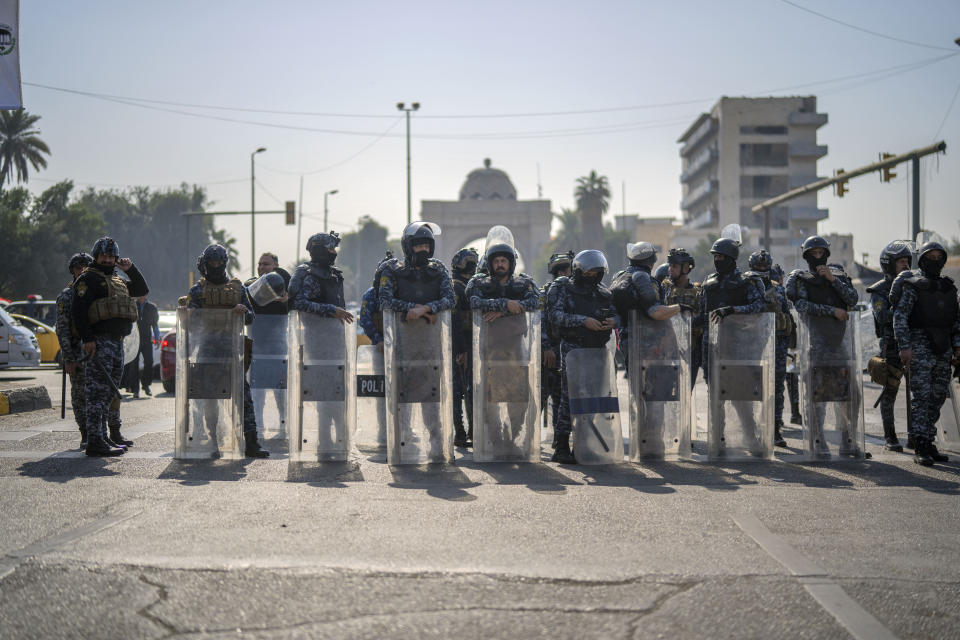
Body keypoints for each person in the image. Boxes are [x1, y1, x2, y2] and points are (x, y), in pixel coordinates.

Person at [378, 222, 456, 460]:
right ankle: (403, 445)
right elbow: (385, 300)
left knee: (432, 398)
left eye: (426, 245)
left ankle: (437, 447)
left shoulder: (438, 269)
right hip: (402, 345)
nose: (423, 250)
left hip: (431, 346)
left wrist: (426, 308)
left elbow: (450, 299)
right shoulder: (392, 269)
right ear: (407, 246)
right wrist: (413, 308)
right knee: (402, 398)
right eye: (418, 245)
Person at [186, 244, 269, 458]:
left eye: (218, 262)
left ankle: (251, 443)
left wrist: (242, 312)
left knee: (243, 398)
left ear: (224, 263)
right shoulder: (197, 290)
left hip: (231, 350)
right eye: (211, 263)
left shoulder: (237, 288)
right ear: (205, 264)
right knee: (210, 400)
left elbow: (251, 316)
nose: (215, 266)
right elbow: (190, 321)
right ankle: (213, 442)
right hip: (206, 350)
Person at [71, 237, 148, 457]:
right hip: (99, 341)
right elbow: (79, 311)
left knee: (109, 393)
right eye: (104, 255)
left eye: (111, 256)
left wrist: (131, 269)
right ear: (96, 256)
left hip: (117, 342)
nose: (107, 259)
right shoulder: (88, 280)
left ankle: (102, 436)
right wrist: (88, 339)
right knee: (97, 392)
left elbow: (142, 289)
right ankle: (95, 441)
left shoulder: (118, 280)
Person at [785, 235, 860, 457]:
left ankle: (848, 440)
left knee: (850, 395)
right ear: (806, 256)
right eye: (813, 254)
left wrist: (833, 280)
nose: (817, 257)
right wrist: (831, 312)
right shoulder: (799, 278)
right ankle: (818, 443)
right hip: (816, 346)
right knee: (818, 399)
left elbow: (853, 299)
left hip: (840, 345)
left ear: (826, 254)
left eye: (821, 253)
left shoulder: (838, 276)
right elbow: (802, 306)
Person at [890, 241, 960, 466]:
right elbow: (900, 317)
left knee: (938, 396)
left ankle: (929, 440)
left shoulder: (948, 288)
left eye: (939, 256)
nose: (935, 260)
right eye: (930, 256)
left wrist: (957, 346)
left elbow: (956, 321)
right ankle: (920, 443)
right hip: (919, 345)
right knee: (921, 397)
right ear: (921, 259)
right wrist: (905, 346)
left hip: (943, 348)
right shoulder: (913, 286)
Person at [547, 249, 620, 464]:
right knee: (570, 399)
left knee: (595, 398)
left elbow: (616, 314)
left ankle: (588, 442)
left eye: (596, 273)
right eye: (588, 273)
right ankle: (561, 446)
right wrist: (583, 320)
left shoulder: (603, 293)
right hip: (573, 349)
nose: (592, 277)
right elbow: (554, 315)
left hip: (597, 350)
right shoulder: (562, 287)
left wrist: (613, 322)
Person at [467, 243, 541, 453]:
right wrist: (506, 304)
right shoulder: (479, 283)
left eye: (504, 261)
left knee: (518, 397)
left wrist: (502, 312)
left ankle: (512, 434)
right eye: (496, 261)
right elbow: (473, 301)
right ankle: (495, 439)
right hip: (489, 349)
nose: (500, 265)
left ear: (511, 263)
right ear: (491, 264)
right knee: (489, 398)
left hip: (516, 349)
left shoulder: (523, 283)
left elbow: (536, 301)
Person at [700, 238, 766, 456]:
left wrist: (732, 310)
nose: (717, 260)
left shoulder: (747, 282)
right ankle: (718, 442)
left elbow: (758, 307)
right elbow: (702, 315)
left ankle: (751, 440)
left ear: (731, 259)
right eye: (715, 257)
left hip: (740, 348)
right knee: (716, 399)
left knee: (742, 399)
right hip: (714, 349)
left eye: (720, 257)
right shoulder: (708, 283)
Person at [865, 240, 912, 452]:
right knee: (890, 392)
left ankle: (918, 437)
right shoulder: (880, 290)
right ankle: (890, 436)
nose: (905, 265)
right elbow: (882, 315)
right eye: (901, 261)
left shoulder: (914, 283)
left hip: (916, 343)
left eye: (907, 261)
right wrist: (904, 308)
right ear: (889, 264)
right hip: (891, 346)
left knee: (921, 394)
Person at [745, 250, 791, 447]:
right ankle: (751, 428)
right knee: (750, 388)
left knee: (777, 387)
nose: (763, 271)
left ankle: (775, 429)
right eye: (758, 268)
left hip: (778, 344)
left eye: (766, 268)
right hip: (754, 343)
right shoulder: (746, 287)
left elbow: (787, 317)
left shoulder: (778, 290)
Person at [245, 252, 292, 435]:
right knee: (257, 394)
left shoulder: (287, 290)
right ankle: (258, 428)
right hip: (256, 350)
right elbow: (247, 292)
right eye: (260, 264)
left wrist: (286, 299)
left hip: (279, 350)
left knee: (280, 392)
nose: (262, 267)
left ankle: (283, 428)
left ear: (276, 266)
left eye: (266, 264)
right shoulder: (251, 286)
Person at [55, 252, 93, 449]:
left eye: (86, 267)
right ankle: (85, 433)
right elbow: (62, 329)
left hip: (98, 353)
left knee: (99, 395)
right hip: (77, 353)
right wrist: (68, 358)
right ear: (73, 271)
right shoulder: (67, 296)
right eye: (78, 268)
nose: (82, 271)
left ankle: (100, 432)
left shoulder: (96, 291)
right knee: (80, 395)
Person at [541, 251, 573, 443]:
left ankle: (558, 439)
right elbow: (541, 322)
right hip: (549, 352)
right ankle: (524, 437)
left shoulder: (574, 291)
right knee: (541, 396)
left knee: (561, 398)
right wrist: (546, 348)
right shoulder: (545, 292)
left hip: (567, 351)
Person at [662, 247, 703, 386]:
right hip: (667, 349)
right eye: (670, 265)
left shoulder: (698, 292)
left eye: (674, 266)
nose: (670, 269)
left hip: (691, 351)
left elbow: (703, 318)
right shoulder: (664, 288)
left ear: (686, 268)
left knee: (685, 392)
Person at [450, 247, 479, 447]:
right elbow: (456, 322)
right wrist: (461, 350)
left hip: (469, 346)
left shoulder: (468, 287)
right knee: (459, 392)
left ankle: (471, 432)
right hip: (460, 348)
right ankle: (461, 432)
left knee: (468, 391)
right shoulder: (457, 289)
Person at [358, 251, 394, 347]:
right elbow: (365, 320)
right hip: (380, 346)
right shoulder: (371, 294)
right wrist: (378, 340)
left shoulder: (402, 292)